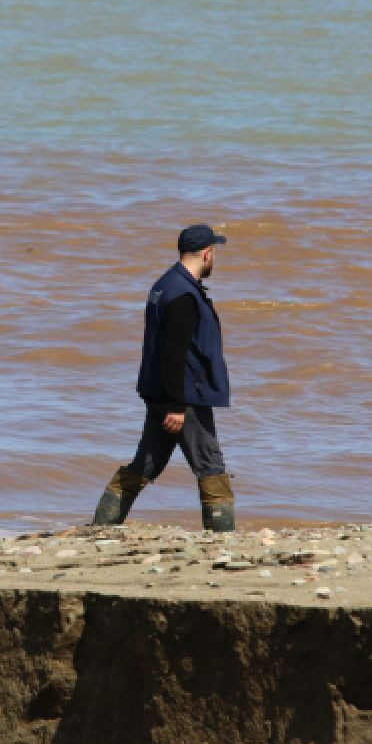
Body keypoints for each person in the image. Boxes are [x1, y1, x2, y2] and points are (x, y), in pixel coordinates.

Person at [91, 224, 236, 531]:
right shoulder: (183, 294)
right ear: (207, 253)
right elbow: (174, 353)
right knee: (210, 465)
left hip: (163, 393)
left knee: (146, 464)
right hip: (183, 396)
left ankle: (100, 528)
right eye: (215, 253)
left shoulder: (165, 285)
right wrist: (175, 404)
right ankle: (224, 541)